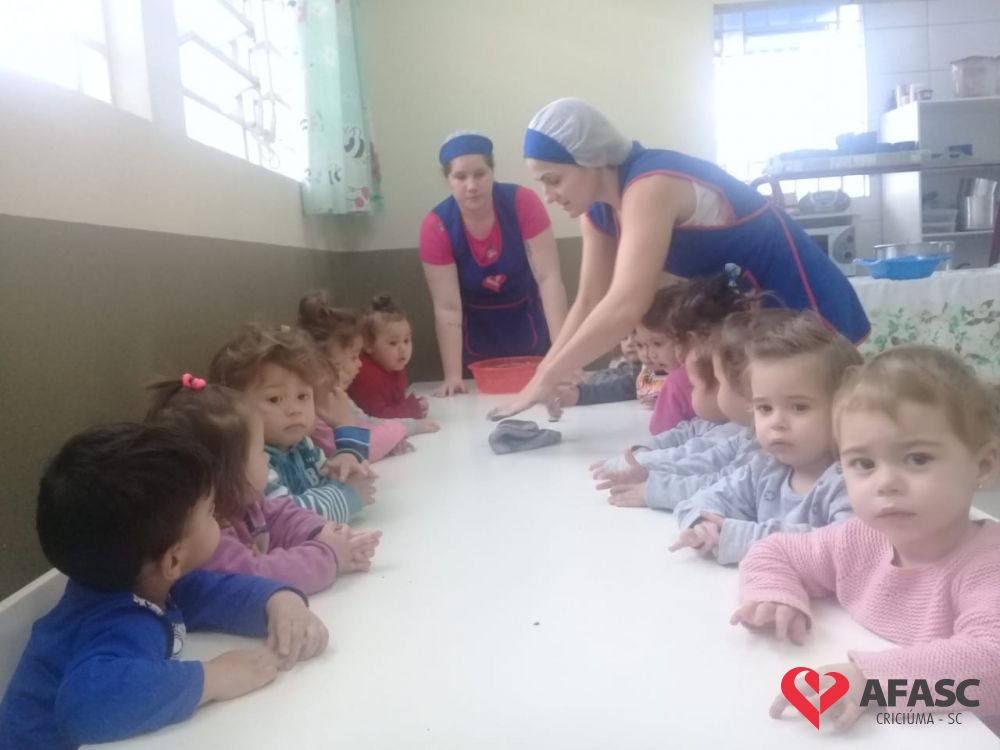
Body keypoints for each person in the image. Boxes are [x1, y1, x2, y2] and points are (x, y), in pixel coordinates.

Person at [491, 97, 869, 420]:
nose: (548, 195)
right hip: (752, 311)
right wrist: (548, 373)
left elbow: (625, 305)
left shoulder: (651, 184)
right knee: (768, 421)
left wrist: (547, 376)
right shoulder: (598, 212)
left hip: (800, 295)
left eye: (554, 179)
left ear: (591, 159)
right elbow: (590, 300)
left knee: (825, 416)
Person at [0, 423, 327, 750]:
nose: (220, 518)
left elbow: (210, 592)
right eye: (211, 511)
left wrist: (277, 600)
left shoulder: (137, 580)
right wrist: (212, 678)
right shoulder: (119, 621)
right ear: (173, 559)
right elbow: (83, 706)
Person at [733, 346, 1000, 733]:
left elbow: (992, 665)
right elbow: (774, 552)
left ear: (983, 465)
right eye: (864, 464)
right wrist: (776, 595)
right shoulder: (859, 539)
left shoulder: (989, 567)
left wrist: (871, 683)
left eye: (917, 459)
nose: (885, 483)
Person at [147, 376, 381, 595]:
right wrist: (329, 554)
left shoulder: (243, 503)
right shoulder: (206, 538)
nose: (267, 458)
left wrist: (325, 532)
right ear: (226, 472)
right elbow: (260, 575)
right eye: (260, 451)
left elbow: (281, 515)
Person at [668, 312, 861, 564]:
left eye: (799, 407)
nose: (776, 422)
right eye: (765, 408)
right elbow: (700, 501)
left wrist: (739, 538)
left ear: (844, 409)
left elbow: (842, 546)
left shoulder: (852, 482)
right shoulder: (766, 469)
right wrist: (704, 525)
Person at [420, 131, 568, 396]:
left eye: (480, 174)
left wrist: (562, 359)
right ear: (447, 180)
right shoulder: (436, 226)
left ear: (492, 171)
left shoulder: (522, 202)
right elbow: (447, 308)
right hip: (476, 346)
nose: (471, 185)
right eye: (460, 177)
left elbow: (549, 280)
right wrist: (453, 376)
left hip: (532, 332)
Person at [209, 324, 377, 522]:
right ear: (234, 407)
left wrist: (345, 464)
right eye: (275, 399)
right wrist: (347, 497)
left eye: (302, 396)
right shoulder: (249, 461)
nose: (294, 410)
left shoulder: (302, 445)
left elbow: (327, 484)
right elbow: (281, 517)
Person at [298, 290, 440, 460]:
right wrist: (404, 428)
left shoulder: (336, 397)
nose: (360, 364)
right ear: (327, 365)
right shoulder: (313, 414)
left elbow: (366, 423)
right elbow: (363, 449)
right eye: (353, 357)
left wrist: (400, 432)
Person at [347, 294, 428, 419]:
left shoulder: (393, 365)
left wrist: (411, 405)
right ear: (368, 345)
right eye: (393, 343)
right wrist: (411, 408)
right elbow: (377, 417)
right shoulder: (367, 377)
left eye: (406, 340)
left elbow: (395, 401)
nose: (403, 349)